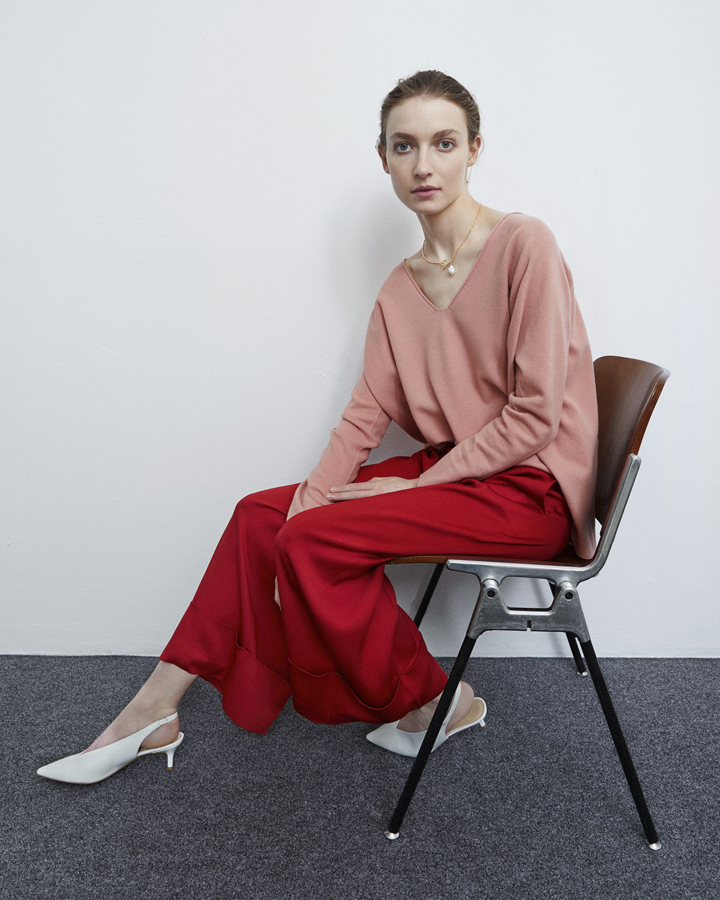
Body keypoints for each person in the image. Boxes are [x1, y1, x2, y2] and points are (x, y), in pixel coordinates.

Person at [37, 70, 598, 784]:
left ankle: (437, 700)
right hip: (457, 475)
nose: (424, 165)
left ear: (474, 150)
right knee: (262, 518)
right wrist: (302, 512)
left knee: (307, 540)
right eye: (404, 146)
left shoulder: (525, 244)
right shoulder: (400, 288)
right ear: (383, 158)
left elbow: (535, 415)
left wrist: (410, 489)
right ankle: (153, 710)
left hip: (527, 493)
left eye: (444, 143)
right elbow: (364, 414)